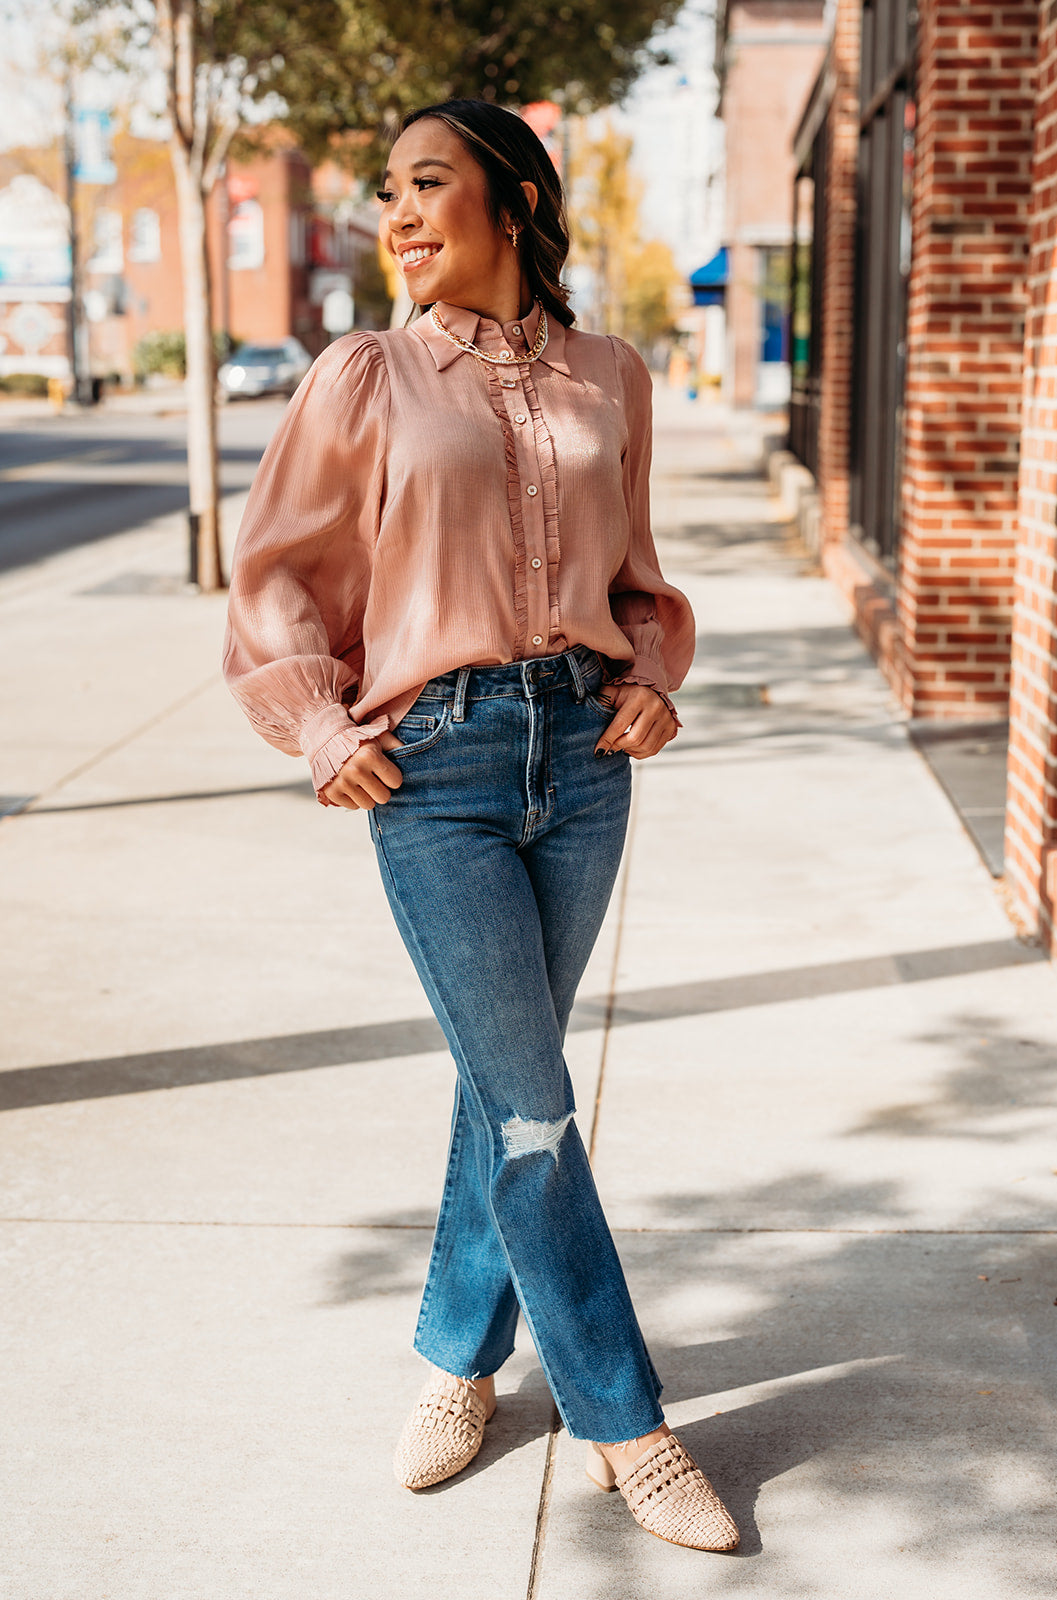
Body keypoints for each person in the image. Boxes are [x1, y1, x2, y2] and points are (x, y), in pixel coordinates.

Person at [223, 98, 738, 1554]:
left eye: (425, 182)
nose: (397, 212)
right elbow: (277, 575)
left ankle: (455, 1360)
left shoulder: (612, 377)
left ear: (511, 199)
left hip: (582, 760)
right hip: (433, 772)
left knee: (502, 1084)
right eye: (387, 190)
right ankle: (625, 1421)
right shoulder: (362, 375)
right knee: (526, 1103)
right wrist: (319, 727)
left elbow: (638, 577)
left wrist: (650, 678)